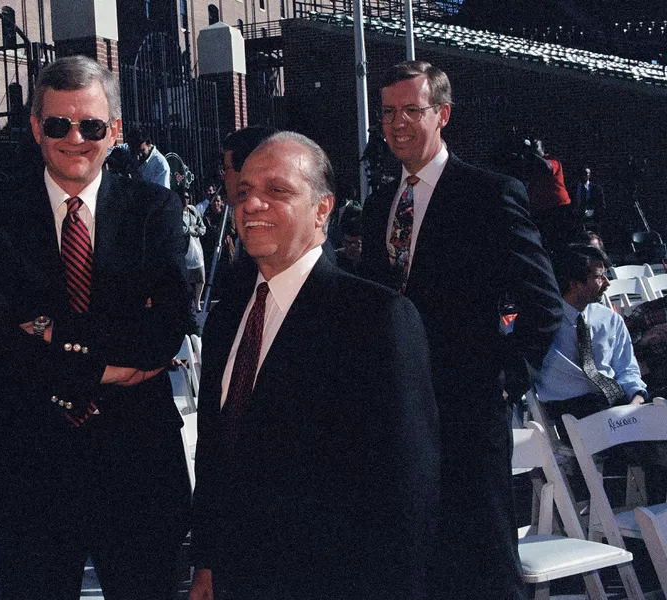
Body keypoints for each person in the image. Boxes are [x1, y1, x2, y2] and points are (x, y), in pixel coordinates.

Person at [0, 56, 194, 600]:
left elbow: (163, 332)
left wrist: (47, 331)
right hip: (27, 470)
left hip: (136, 471)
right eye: (58, 123)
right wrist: (109, 362)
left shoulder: (153, 209)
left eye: (91, 125)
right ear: (36, 128)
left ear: (113, 131)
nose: (75, 138)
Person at [188, 132, 439, 600]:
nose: (253, 204)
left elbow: (408, 493)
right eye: (243, 192)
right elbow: (218, 453)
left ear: (323, 209)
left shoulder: (375, 319)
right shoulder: (227, 319)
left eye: (277, 191)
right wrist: (207, 562)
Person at [360, 61, 563, 600]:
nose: (396, 123)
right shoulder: (381, 203)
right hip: (397, 415)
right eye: (387, 112)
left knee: (484, 565)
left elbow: (545, 303)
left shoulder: (490, 194)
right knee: (415, 563)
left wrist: (506, 378)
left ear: (442, 114)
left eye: (411, 110)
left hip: (468, 416)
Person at [537, 244, 666, 501]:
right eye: (598, 277)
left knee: (658, 411)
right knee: (652, 441)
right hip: (571, 408)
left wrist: (636, 398)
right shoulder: (543, 323)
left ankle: (655, 513)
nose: (607, 282)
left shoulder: (609, 320)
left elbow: (627, 369)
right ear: (574, 283)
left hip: (614, 402)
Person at [525, 139, 572, 249]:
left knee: (561, 240)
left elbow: (548, 168)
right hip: (543, 208)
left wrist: (533, 155)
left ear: (543, 149)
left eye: (535, 147)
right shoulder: (532, 166)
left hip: (559, 206)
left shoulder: (551, 159)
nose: (533, 151)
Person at [183, 191, 206, 312]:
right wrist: (191, 229)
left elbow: (202, 227)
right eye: (183, 197)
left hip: (196, 248)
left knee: (200, 276)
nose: (185, 200)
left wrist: (198, 231)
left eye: (187, 197)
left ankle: (197, 301)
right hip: (184, 249)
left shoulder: (192, 210)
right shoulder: (177, 212)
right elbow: (180, 228)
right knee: (186, 278)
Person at [572, 165, 605, 233]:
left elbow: (602, 205)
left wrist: (593, 212)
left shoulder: (596, 189)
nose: (584, 176)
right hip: (577, 221)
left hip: (592, 222)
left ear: (589, 175)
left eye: (586, 173)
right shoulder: (573, 189)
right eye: (582, 173)